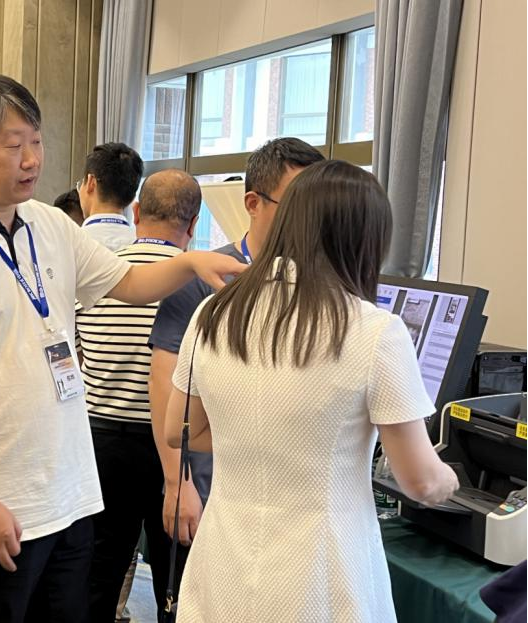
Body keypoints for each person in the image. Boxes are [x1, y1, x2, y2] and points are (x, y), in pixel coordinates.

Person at [0, 72, 245, 623]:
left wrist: (191, 263)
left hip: (70, 497)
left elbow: (128, 282)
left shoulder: (49, 223)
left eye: (36, 141)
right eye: (14, 145)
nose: (32, 159)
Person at [164, 160, 460, 623]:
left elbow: (180, 431)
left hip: (223, 565)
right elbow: (419, 481)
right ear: (366, 240)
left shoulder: (213, 314)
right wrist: (452, 481)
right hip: (322, 578)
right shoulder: (374, 331)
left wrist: (260, 443)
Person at [149, 137, 324, 551]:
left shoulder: (320, 285)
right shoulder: (206, 278)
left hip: (287, 502)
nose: (307, 220)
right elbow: (163, 382)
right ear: (253, 203)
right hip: (210, 488)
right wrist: (177, 483)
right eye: (294, 204)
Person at [76, 169, 202, 621]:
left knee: (98, 571)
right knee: (177, 575)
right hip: (173, 446)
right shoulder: (197, 284)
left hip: (101, 440)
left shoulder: (100, 276)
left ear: (136, 212)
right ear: (193, 224)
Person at [76, 142, 142, 251]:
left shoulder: (70, 244)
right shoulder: (141, 245)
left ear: (91, 183)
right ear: (132, 197)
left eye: (81, 183)